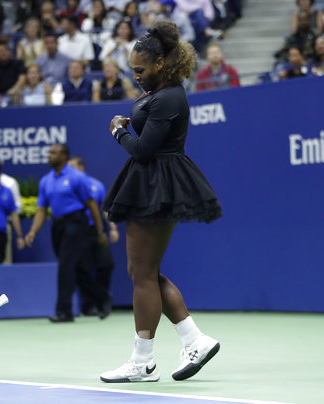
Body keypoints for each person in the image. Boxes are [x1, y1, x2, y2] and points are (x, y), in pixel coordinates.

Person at [100, 21, 222, 383]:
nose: (135, 76)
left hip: (158, 183)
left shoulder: (169, 96)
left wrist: (118, 130)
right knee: (144, 273)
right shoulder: (161, 92)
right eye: (132, 70)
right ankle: (194, 340)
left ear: (161, 63)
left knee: (141, 275)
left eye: (140, 70)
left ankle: (143, 362)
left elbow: (142, 149)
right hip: (154, 182)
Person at [25, 144, 110, 322]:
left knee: (65, 266)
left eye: (53, 153)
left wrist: (100, 230)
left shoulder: (77, 177)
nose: (49, 156)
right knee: (75, 268)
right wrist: (32, 231)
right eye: (49, 153)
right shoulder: (45, 180)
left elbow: (92, 204)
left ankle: (64, 311)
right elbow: (42, 210)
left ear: (64, 156)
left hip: (76, 223)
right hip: (57, 226)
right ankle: (102, 297)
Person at [68, 156, 119, 317]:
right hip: (78, 232)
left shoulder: (96, 185)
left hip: (97, 232)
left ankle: (101, 300)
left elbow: (104, 209)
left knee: (106, 265)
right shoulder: (68, 186)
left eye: (72, 167)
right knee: (83, 269)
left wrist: (112, 227)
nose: (69, 171)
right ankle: (90, 304)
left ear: (81, 167)